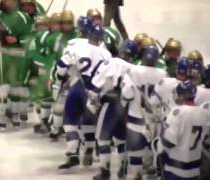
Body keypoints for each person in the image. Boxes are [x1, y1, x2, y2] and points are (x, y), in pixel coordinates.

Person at [55, 24, 111, 172]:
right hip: (95, 90)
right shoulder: (106, 54)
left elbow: (62, 65)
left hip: (78, 86)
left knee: (70, 119)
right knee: (89, 120)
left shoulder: (77, 46)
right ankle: (90, 148)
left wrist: (60, 77)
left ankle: (73, 152)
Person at [91, 40, 138, 180]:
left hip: (109, 104)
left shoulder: (110, 62)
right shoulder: (134, 67)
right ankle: (123, 167)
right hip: (126, 107)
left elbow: (96, 83)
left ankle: (104, 170)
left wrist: (93, 99)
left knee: (103, 139)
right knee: (121, 139)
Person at [120, 45, 167, 179]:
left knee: (135, 154)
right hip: (155, 120)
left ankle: (137, 176)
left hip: (135, 118)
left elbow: (127, 95)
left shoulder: (133, 71)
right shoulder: (163, 74)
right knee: (153, 153)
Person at [151, 80, 210, 180]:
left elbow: (168, 143)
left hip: (176, 168)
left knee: (156, 144)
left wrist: (163, 130)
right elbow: (206, 139)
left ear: (181, 95)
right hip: (195, 169)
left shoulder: (177, 112)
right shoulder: (205, 113)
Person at [0, 0, 32, 131]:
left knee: (15, 88)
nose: (8, 2)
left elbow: (30, 37)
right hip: (1, 58)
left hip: (17, 58)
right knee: (2, 88)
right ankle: (0, 116)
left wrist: (17, 40)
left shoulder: (23, 17)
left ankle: (15, 114)